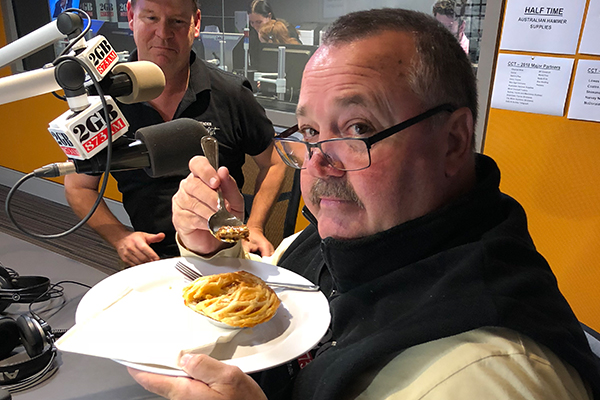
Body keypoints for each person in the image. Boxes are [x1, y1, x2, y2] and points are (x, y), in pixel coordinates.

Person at [128, 8, 600, 400]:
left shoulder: (487, 375)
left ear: (454, 141)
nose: (318, 164)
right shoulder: (357, 235)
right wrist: (214, 249)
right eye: (310, 132)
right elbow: (273, 291)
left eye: (358, 129)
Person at [64, 0, 287, 266]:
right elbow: (79, 185)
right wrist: (120, 237)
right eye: (151, 18)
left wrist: (256, 227)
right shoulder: (102, 101)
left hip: (224, 252)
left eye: (177, 21)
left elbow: (273, 163)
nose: (163, 33)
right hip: (152, 259)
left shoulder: (232, 94)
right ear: (131, 17)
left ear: (196, 23)